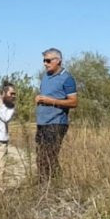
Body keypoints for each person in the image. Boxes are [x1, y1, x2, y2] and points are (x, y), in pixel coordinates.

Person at [35, 49, 77, 180]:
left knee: (49, 157)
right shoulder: (45, 77)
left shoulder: (67, 78)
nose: (45, 64)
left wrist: (50, 101)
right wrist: (39, 99)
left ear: (58, 60)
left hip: (57, 123)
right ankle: (46, 185)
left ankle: (54, 187)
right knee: (40, 157)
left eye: (48, 61)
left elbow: (74, 102)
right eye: (44, 61)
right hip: (42, 123)